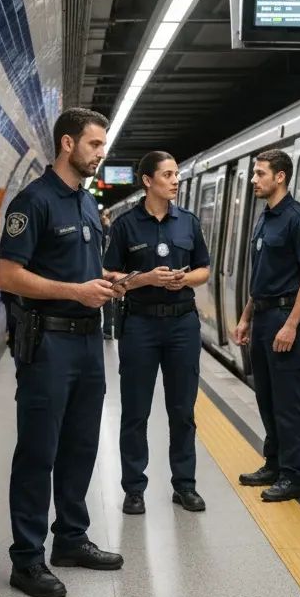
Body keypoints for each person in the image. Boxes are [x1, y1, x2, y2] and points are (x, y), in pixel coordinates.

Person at [0, 107, 124, 597]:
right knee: (38, 451)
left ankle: (71, 538)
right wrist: (75, 291)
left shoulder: (87, 202)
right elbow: (7, 275)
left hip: (89, 342)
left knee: (81, 445)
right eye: (94, 145)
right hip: (48, 343)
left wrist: (109, 281)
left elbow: (83, 265)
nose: (101, 153)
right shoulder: (34, 202)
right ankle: (27, 559)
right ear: (67, 144)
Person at [103, 151, 211, 516]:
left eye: (176, 174)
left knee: (182, 409)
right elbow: (110, 277)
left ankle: (185, 486)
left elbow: (204, 271)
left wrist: (183, 278)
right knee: (135, 410)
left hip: (182, 323)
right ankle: (134, 489)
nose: (175, 180)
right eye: (168, 175)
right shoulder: (125, 226)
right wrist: (145, 279)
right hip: (140, 325)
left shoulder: (189, 223)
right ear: (148, 181)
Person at [233, 148, 300, 502]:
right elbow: (261, 276)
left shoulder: (299, 219)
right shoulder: (264, 217)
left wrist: (291, 324)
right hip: (263, 316)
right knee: (266, 396)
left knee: (287, 401)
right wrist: (245, 317)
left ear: (280, 176)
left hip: (286, 319)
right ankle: (273, 462)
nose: (254, 180)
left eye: (260, 174)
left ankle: (293, 475)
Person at [100, 211, 116, 339]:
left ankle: (107, 329)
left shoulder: (108, 229)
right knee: (106, 298)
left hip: (104, 266)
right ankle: (108, 328)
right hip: (103, 266)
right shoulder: (106, 229)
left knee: (106, 298)